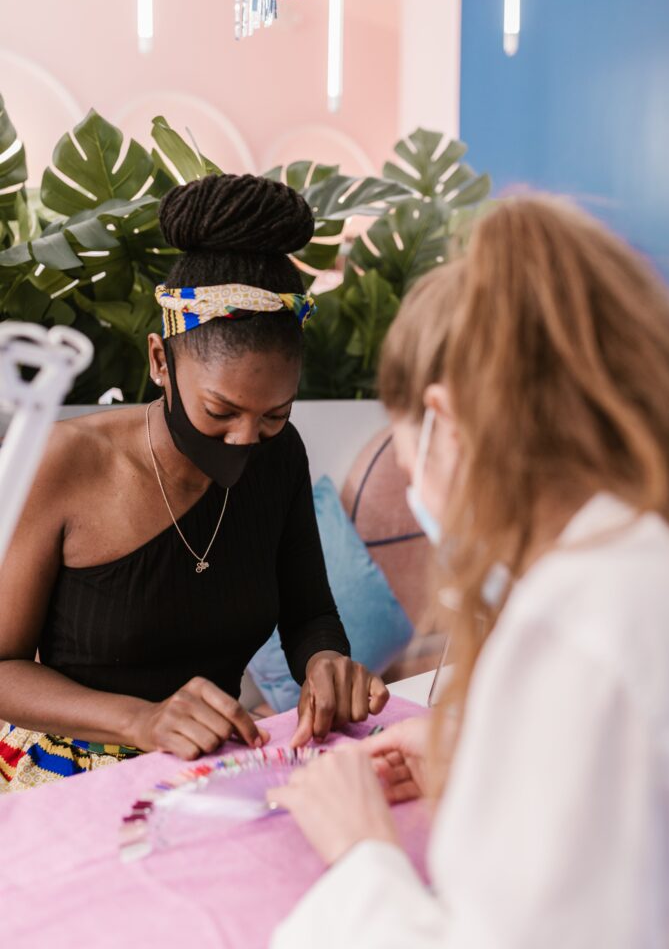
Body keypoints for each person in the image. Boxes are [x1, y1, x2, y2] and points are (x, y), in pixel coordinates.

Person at [268, 195, 669, 947]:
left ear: (443, 421)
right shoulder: (644, 563)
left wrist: (362, 851)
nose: (417, 492)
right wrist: (489, 758)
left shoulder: (577, 626)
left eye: (404, 456)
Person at [0, 172, 388, 792]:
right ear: (161, 361)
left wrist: (325, 663)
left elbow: (308, 610)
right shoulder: (66, 461)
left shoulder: (279, 456)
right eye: (221, 412)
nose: (244, 441)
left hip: (208, 774)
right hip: (59, 778)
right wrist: (141, 720)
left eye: (274, 414)